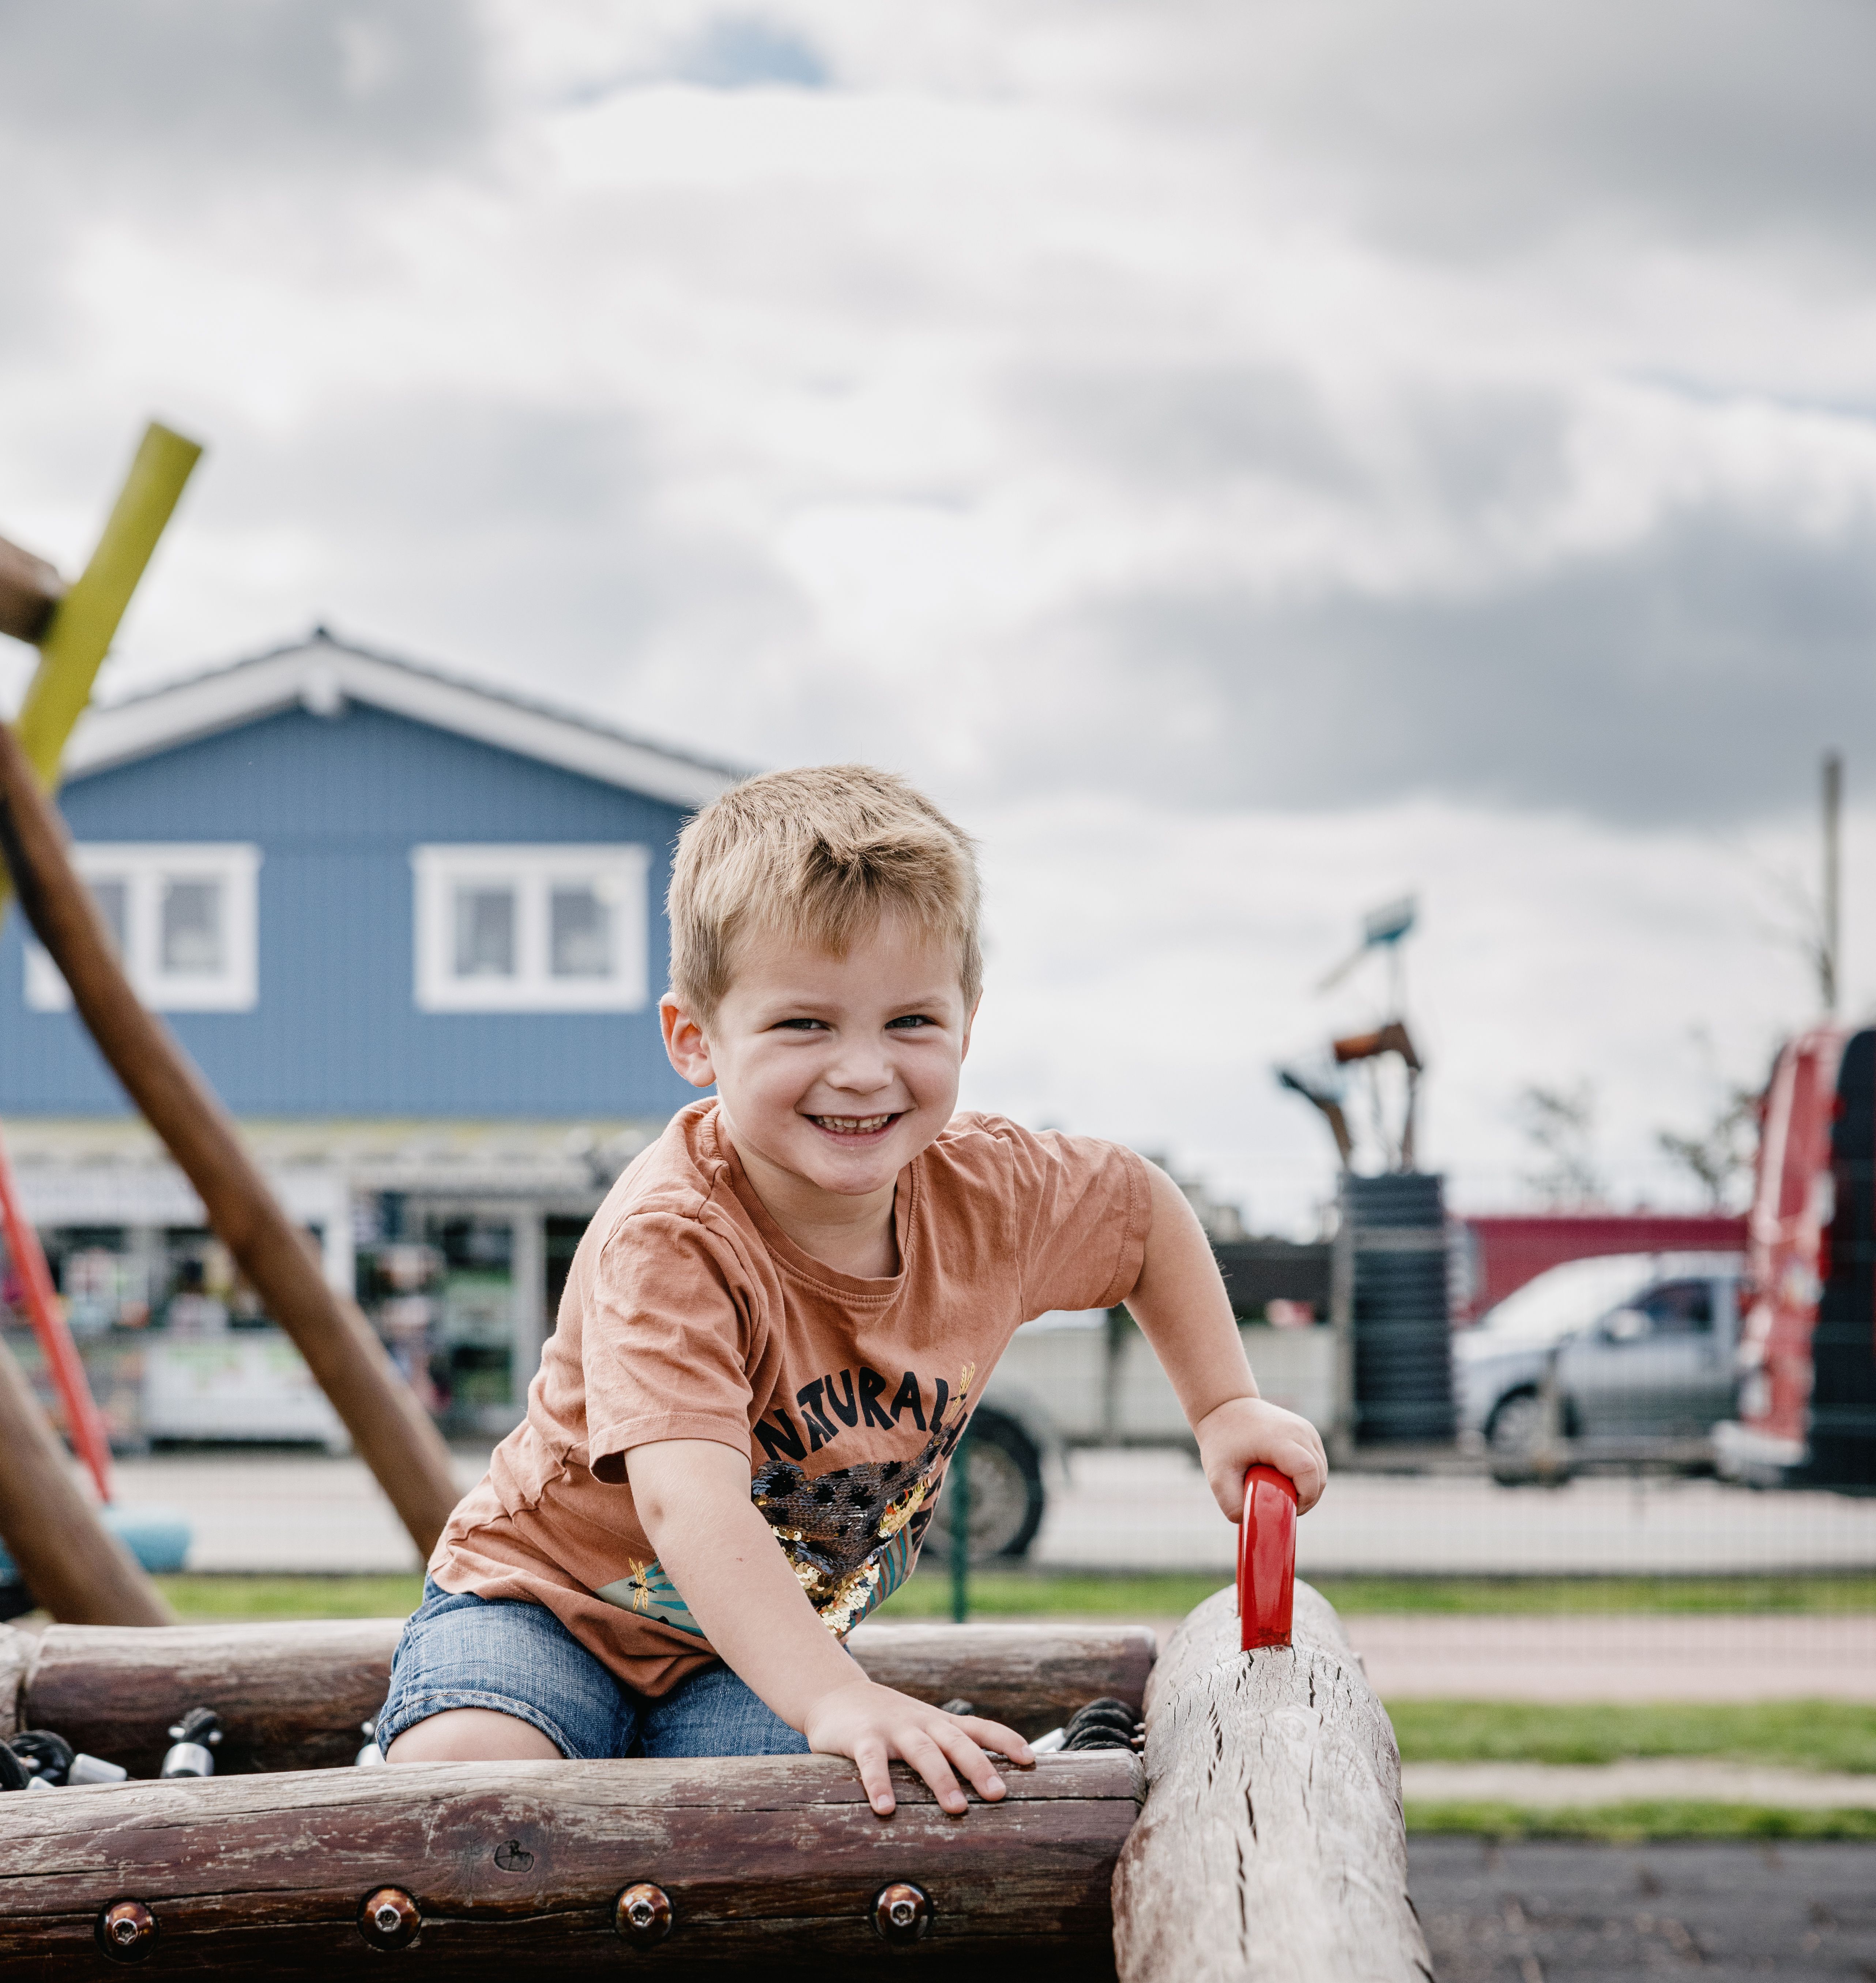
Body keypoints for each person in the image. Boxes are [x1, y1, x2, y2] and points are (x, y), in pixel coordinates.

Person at [379, 765, 1326, 1815]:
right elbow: (683, 1498)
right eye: (804, 1027)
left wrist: (1223, 1405)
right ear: (697, 1038)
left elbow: (1141, 1215)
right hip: (543, 1604)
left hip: (745, 1647)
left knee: (821, 1813)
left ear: (968, 1020)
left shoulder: (989, 1198)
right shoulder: (675, 1238)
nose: (865, 1071)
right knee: (468, 1777)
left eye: (911, 1022)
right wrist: (835, 1695)